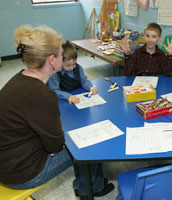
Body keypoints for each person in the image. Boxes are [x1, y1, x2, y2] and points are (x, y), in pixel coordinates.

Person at [0, 25, 113, 200]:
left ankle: (85, 183)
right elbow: (54, 145)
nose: (63, 56)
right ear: (52, 60)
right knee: (91, 144)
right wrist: (57, 143)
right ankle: (91, 188)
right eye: (61, 53)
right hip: (23, 173)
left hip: (7, 164)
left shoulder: (18, 80)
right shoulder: (43, 95)